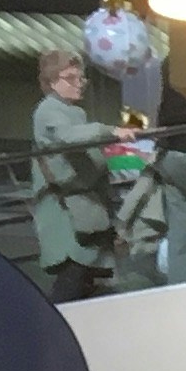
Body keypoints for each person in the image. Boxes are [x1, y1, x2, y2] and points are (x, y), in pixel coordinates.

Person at [27, 52, 119, 297]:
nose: (79, 83)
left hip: (82, 203)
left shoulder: (73, 113)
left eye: (81, 78)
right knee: (74, 271)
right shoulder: (48, 111)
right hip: (67, 206)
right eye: (70, 78)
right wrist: (110, 131)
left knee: (83, 273)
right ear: (52, 82)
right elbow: (67, 137)